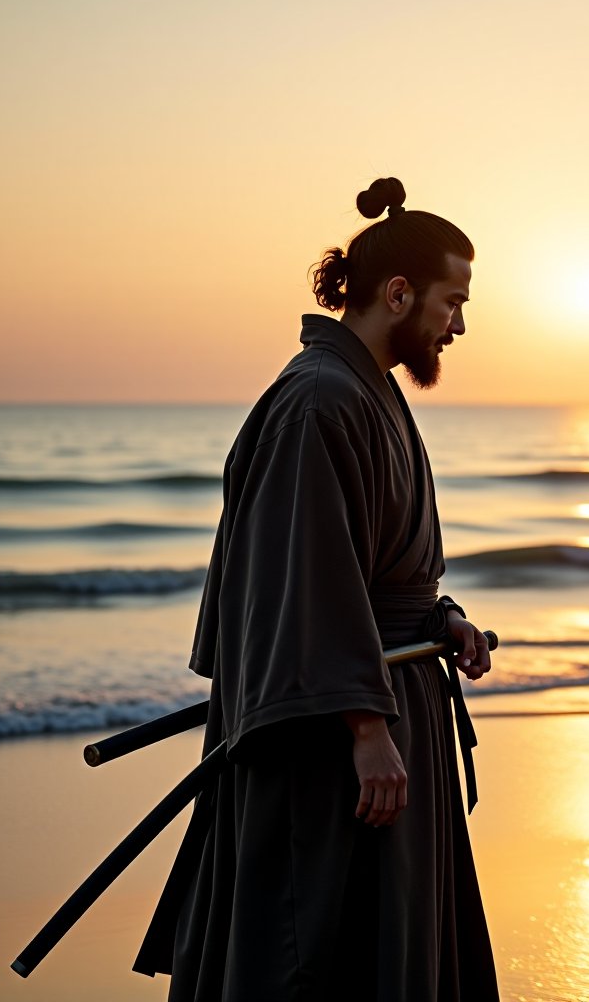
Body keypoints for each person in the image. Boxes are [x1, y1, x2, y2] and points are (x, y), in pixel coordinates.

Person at [133, 178, 499, 1000]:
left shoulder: (367, 391)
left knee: (386, 943)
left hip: (393, 696)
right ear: (398, 293)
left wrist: (442, 616)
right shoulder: (318, 400)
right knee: (314, 952)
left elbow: (378, 572)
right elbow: (303, 581)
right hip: (333, 732)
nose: (460, 323)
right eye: (453, 300)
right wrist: (368, 728)